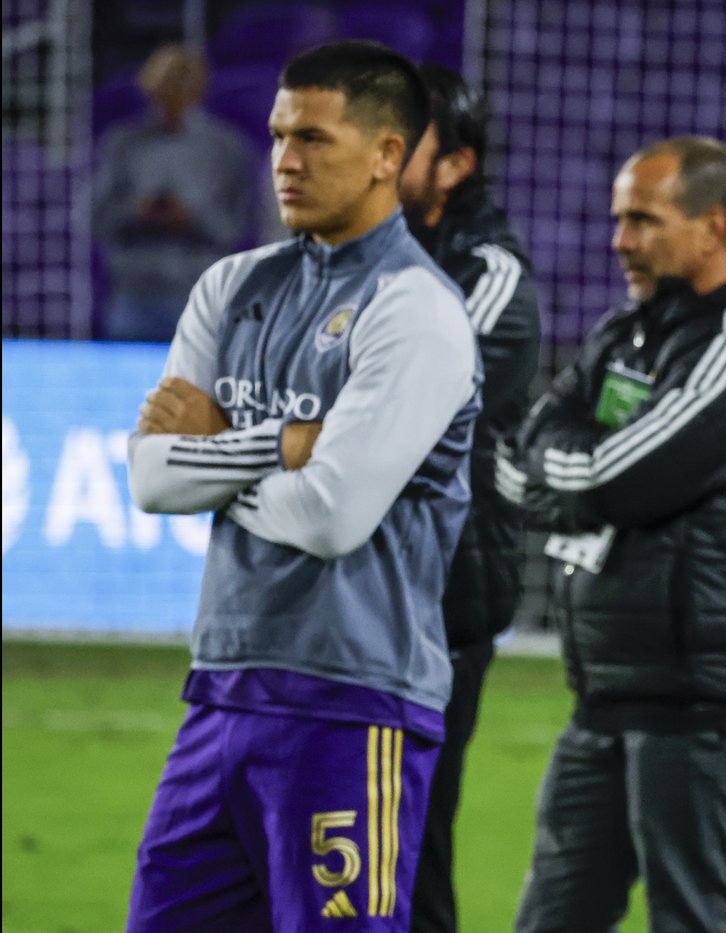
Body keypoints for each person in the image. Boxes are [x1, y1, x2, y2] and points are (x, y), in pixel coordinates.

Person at [124, 41, 482, 931]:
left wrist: (217, 454)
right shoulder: (231, 285)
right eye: (281, 135)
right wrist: (284, 443)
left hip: (351, 701)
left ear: (388, 156)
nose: (285, 159)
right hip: (220, 686)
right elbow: (148, 476)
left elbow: (332, 515)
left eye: (315, 138)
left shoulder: (418, 310)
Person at [501, 136, 726, 933]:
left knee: (692, 919)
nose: (619, 239)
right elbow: (541, 432)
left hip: (698, 689)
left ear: (713, 226)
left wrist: (567, 476)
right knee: (552, 918)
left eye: (642, 219)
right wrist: (575, 473)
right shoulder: (624, 332)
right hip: (606, 685)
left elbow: (610, 480)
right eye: (617, 219)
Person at [400, 63, 541, 933]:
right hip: (361, 587)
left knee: (412, 838)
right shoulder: (352, 254)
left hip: (444, 591)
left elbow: (415, 400)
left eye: (398, 140)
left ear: (453, 165)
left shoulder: (490, 272)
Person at [91, 44, 256, 342]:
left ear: (198, 89)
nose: (171, 96)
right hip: (132, 297)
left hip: (200, 299)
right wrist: (137, 212)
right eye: (163, 87)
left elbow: (236, 230)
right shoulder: (122, 145)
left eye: (179, 87)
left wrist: (190, 218)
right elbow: (97, 219)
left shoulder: (227, 149)